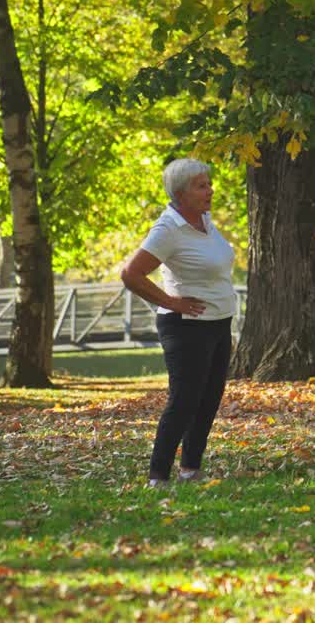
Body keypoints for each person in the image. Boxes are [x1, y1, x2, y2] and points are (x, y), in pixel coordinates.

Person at [121, 158, 236, 487]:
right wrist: (171, 302)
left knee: (209, 398)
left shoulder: (205, 221)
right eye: (201, 186)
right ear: (181, 194)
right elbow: (131, 274)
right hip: (185, 326)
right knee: (185, 400)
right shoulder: (168, 228)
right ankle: (158, 475)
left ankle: (190, 468)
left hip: (217, 323)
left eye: (208, 183)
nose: (210, 190)